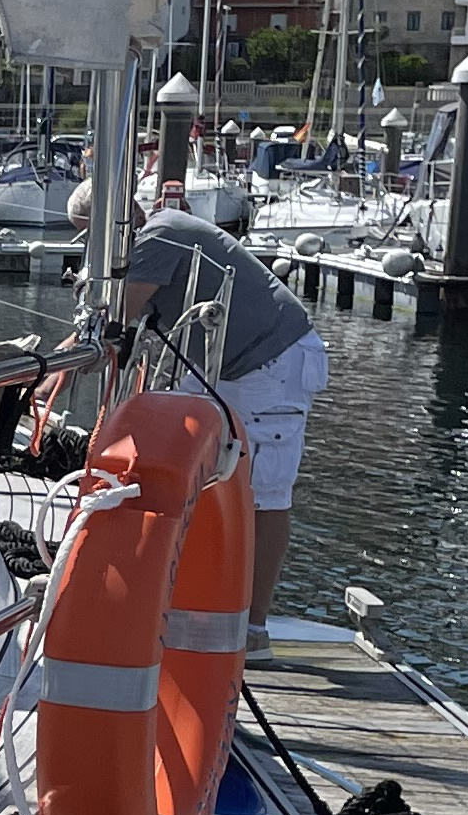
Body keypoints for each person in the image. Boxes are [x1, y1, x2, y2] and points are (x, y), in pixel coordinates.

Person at [71, 182, 327, 649]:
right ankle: (191, 601)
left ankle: (253, 629)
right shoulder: (153, 239)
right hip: (223, 366)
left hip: (270, 363)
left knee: (266, 493)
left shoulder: (160, 235)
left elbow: (118, 316)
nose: (89, 246)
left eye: (90, 234)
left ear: (113, 224)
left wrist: (55, 367)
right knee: (194, 472)